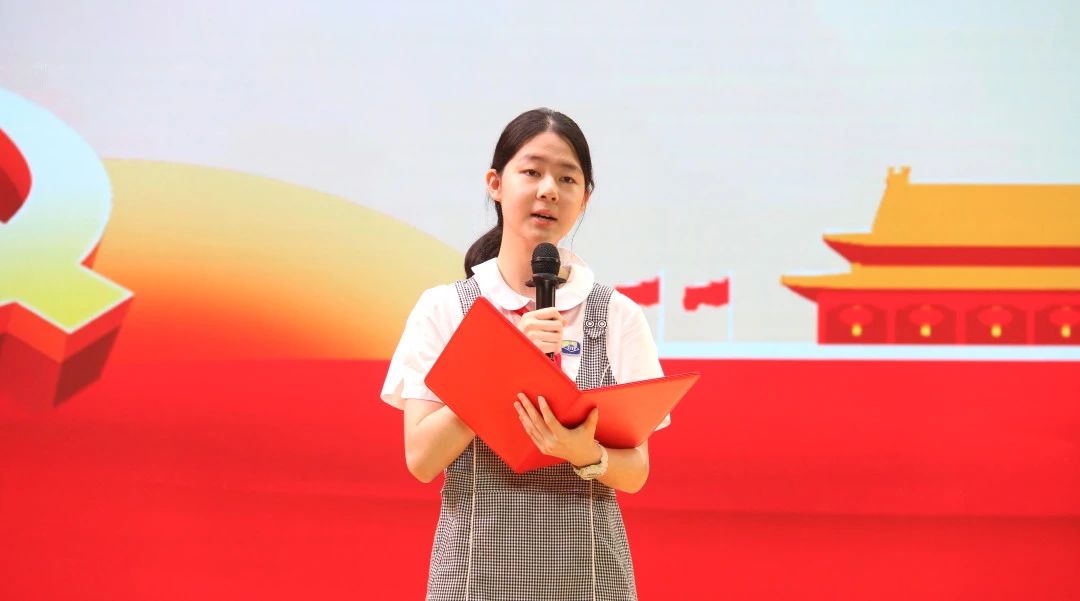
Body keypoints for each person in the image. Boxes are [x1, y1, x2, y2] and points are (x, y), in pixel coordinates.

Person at [381, 108, 668, 601]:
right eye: (532, 171)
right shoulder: (445, 308)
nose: (549, 190)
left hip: (590, 580)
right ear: (496, 183)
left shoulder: (616, 315)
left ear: (585, 198)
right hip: (471, 580)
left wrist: (584, 453)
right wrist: (504, 364)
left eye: (567, 178)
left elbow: (636, 471)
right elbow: (422, 459)